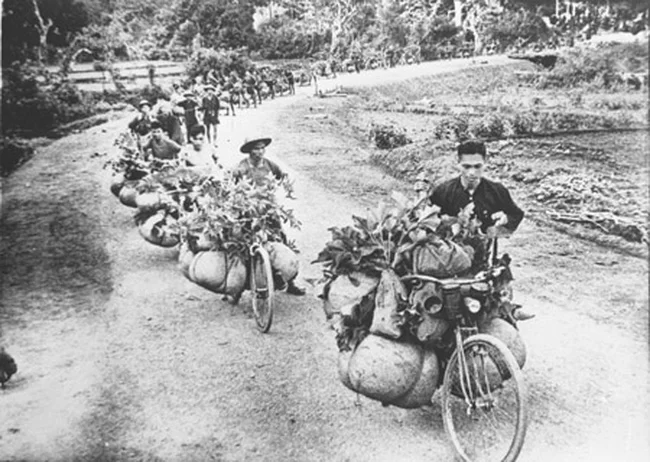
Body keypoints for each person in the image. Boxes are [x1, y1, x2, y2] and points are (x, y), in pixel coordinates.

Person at [233, 136, 306, 296]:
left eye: (262, 148)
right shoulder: (242, 168)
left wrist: (281, 188)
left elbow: (282, 177)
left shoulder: (269, 165)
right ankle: (240, 287)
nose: (260, 152)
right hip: (249, 212)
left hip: (268, 210)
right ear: (249, 151)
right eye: (256, 148)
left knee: (281, 240)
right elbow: (233, 187)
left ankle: (290, 281)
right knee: (245, 247)